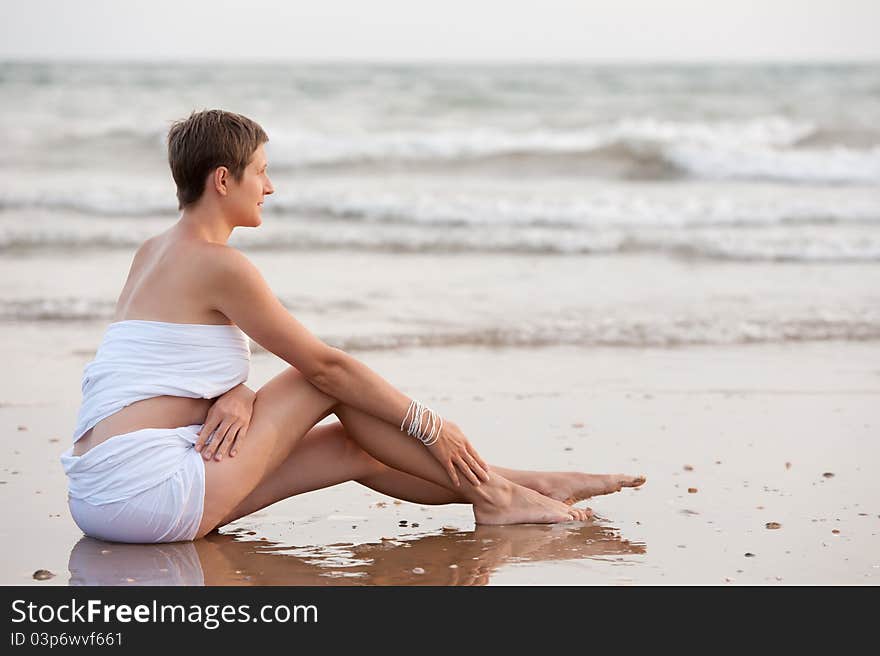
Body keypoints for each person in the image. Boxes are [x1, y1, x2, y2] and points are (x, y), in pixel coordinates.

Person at [60, 109, 645, 544]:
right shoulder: (220, 265)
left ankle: (529, 486)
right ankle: (496, 495)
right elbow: (324, 369)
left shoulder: (153, 252)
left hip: (100, 496)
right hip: (148, 486)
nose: (270, 186)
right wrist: (429, 424)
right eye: (261, 172)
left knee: (353, 446)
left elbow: (156, 373)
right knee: (324, 380)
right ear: (222, 179)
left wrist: (236, 392)